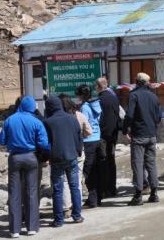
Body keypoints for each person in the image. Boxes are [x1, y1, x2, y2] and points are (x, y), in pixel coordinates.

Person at [0, 96, 49, 238]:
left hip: (14, 158)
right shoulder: (36, 121)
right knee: (31, 192)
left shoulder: (9, 120)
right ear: (32, 107)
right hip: (31, 157)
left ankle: (15, 230)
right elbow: (44, 143)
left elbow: (1, 141)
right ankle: (31, 228)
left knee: (14, 193)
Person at [43, 96, 85, 227]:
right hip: (72, 157)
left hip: (56, 159)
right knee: (74, 187)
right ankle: (77, 216)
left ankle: (58, 220)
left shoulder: (48, 122)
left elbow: (46, 143)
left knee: (57, 189)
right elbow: (79, 137)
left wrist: (46, 157)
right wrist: (78, 151)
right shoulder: (72, 118)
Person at [123, 73, 161, 205]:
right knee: (151, 164)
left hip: (139, 135)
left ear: (136, 82)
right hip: (151, 135)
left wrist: (124, 129)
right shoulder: (154, 96)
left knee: (138, 165)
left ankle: (138, 195)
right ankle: (154, 193)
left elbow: (129, 115)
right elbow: (159, 117)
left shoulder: (134, 95)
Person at [56, 94, 91, 214]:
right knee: (77, 180)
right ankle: (77, 207)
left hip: (61, 151)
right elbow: (89, 131)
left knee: (64, 181)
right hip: (78, 151)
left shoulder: (56, 118)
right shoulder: (79, 115)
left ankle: (66, 207)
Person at [76, 84, 103, 208]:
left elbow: (83, 125)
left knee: (89, 170)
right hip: (97, 138)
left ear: (81, 95)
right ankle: (98, 197)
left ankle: (92, 200)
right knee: (96, 169)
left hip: (88, 141)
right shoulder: (96, 104)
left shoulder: (84, 108)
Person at [95, 77, 121, 198]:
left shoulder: (99, 100)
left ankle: (104, 189)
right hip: (113, 134)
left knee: (103, 161)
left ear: (99, 87)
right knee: (111, 160)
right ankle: (112, 188)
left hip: (102, 135)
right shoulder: (114, 98)